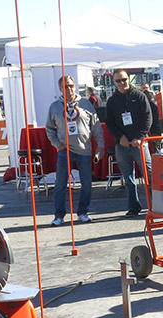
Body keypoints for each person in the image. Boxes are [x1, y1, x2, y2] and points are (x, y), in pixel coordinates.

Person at [45, 75, 104, 226]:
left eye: (71, 85)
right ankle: (59, 215)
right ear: (60, 88)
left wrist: (100, 145)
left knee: (87, 183)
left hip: (84, 149)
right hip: (65, 150)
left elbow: (96, 126)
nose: (69, 89)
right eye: (65, 86)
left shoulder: (85, 104)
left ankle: (83, 212)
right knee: (60, 184)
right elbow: (49, 129)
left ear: (75, 86)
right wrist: (57, 144)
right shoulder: (55, 107)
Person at [105, 69, 152, 217]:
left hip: (139, 143)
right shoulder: (112, 101)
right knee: (128, 178)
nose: (122, 83)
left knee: (148, 174)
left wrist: (140, 137)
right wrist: (120, 137)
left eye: (124, 79)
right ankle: (133, 207)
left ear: (129, 79)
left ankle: (155, 205)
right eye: (118, 81)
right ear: (114, 82)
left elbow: (147, 118)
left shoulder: (139, 96)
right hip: (122, 145)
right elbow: (110, 123)